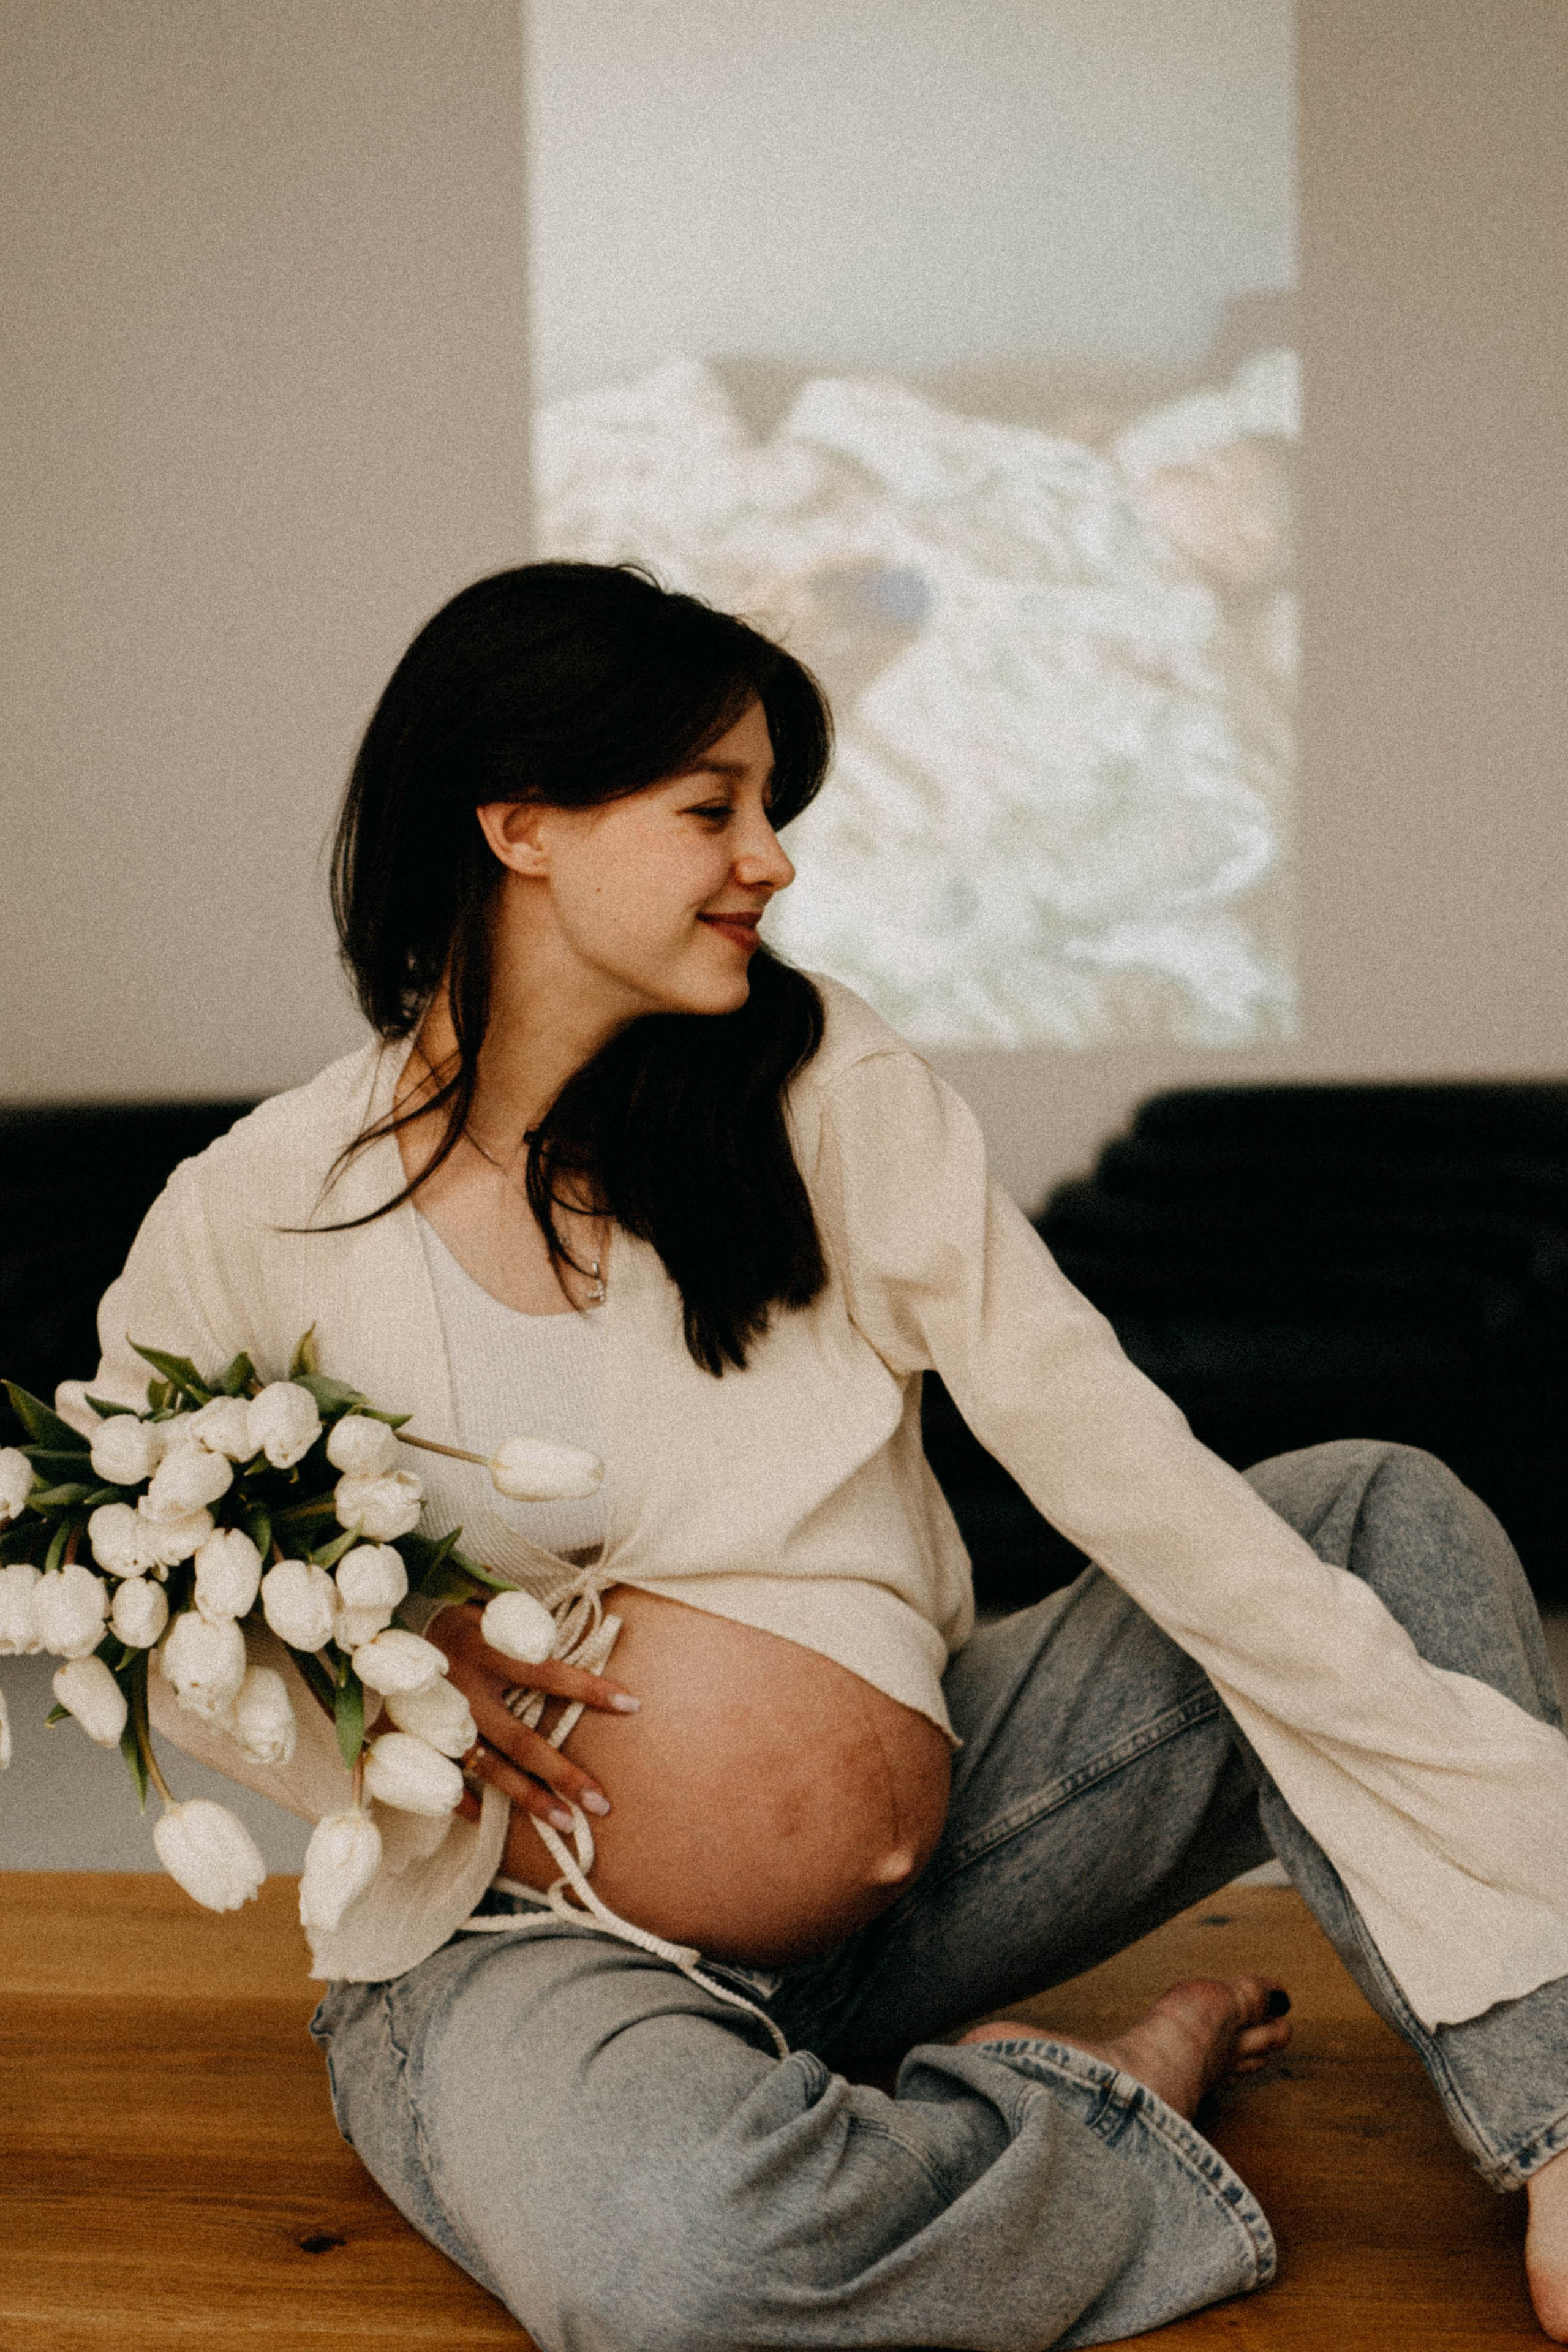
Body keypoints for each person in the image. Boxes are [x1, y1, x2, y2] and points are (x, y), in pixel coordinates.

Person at [83, 563, 1568, 2348]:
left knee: (1377, 1513)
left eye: (773, 807)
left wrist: (1532, 1844)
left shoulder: (823, 1089)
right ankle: (1089, 2111)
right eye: (712, 806)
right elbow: (133, 1596)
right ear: (521, 824)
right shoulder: (253, 1210)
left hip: (949, 1870)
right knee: (685, 2267)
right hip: (524, 1953)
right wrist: (359, 1700)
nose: (771, 858)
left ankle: (1563, 2114)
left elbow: (1115, 1455)